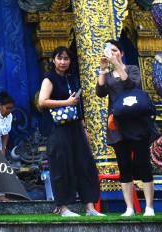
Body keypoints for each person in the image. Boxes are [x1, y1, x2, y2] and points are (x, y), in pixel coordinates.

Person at [38, 46, 102, 217]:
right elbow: (42, 101)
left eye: (66, 59)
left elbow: (78, 105)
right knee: (61, 165)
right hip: (57, 128)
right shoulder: (49, 78)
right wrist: (65, 102)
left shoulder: (73, 79)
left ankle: (90, 207)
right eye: (59, 58)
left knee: (85, 164)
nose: (63, 62)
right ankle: (64, 207)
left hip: (75, 127)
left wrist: (84, 128)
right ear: (53, 60)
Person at [97, 39, 157, 217]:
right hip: (118, 124)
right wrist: (102, 69)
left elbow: (131, 85)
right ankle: (129, 207)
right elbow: (100, 92)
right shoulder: (107, 76)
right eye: (109, 51)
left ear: (121, 53)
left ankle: (149, 207)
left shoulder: (131, 69)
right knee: (124, 166)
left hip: (137, 122)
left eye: (115, 50)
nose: (112, 53)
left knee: (143, 164)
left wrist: (117, 65)